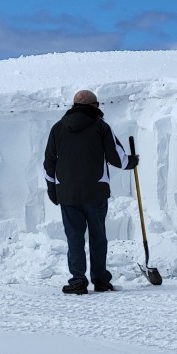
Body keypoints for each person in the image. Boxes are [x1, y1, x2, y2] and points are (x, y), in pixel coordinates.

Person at [43, 90, 139, 295]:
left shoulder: (58, 128)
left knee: (74, 237)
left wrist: (52, 188)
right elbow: (117, 158)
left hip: (68, 194)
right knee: (98, 236)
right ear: (93, 105)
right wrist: (132, 161)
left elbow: (49, 161)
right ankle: (101, 280)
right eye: (97, 104)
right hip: (95, 191)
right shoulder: (100, 126)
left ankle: (78, 281)